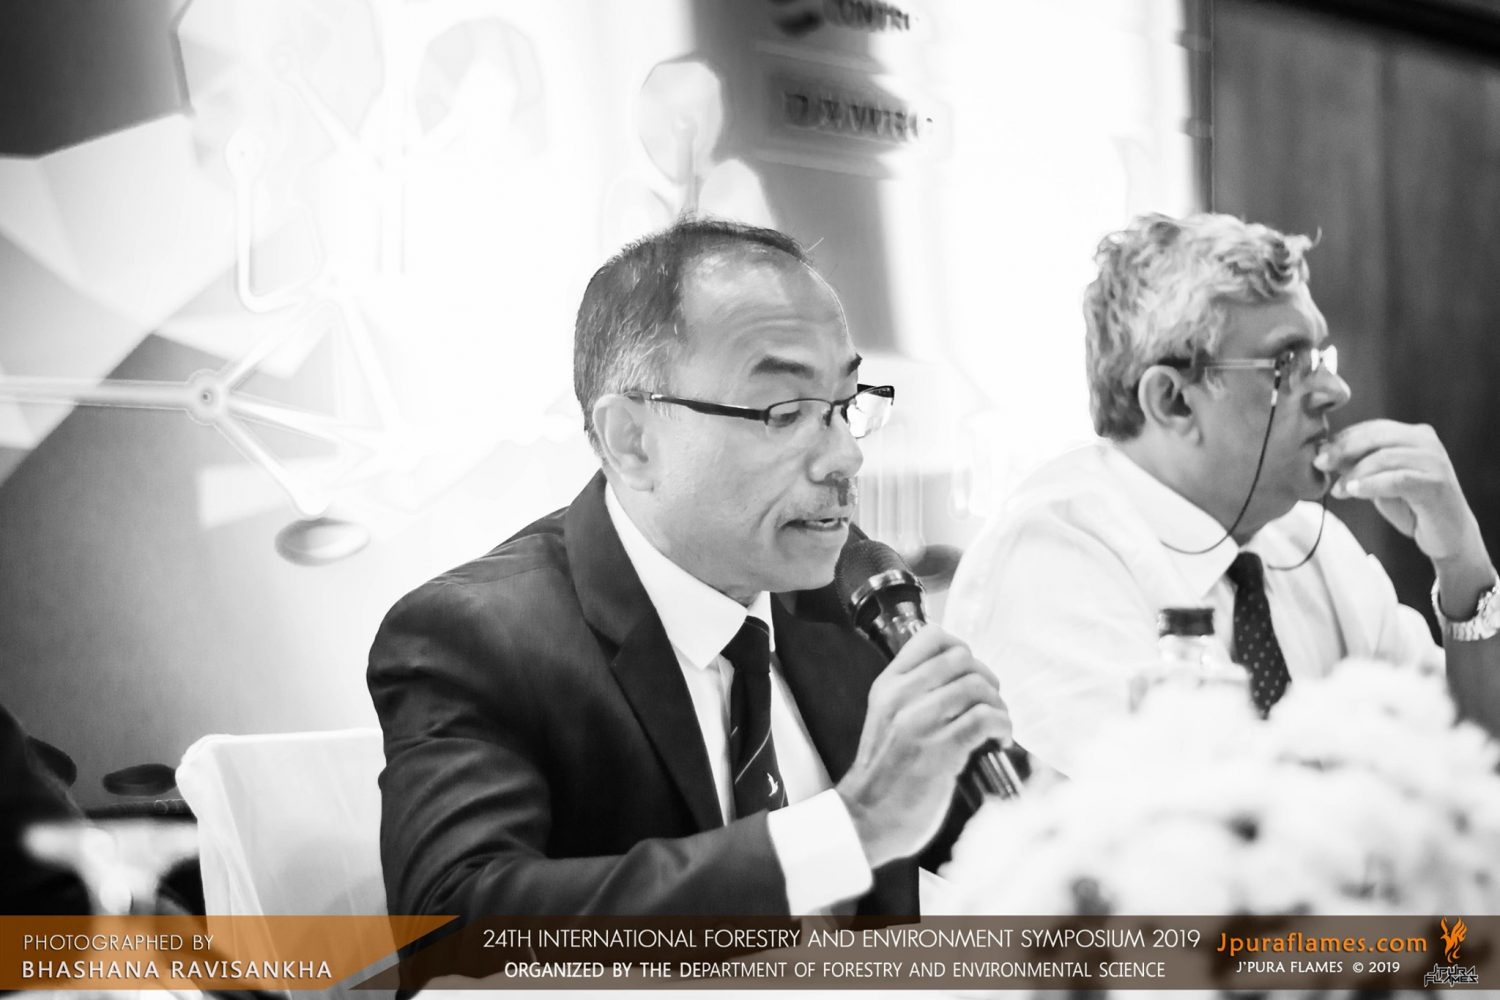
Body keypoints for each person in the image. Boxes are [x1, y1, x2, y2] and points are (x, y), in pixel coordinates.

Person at [369, 219, 1009, 924]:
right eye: (784, 411)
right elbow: (451, 928)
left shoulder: (848, 599)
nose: (845, 458)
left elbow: (1009, 831)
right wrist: (850, 830)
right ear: (632, 440)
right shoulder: (478, 636)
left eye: (844, 406)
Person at [946, 212, 1500, 777]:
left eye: (1320, 358)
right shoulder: (1052, 558)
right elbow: (1163, 820)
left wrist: (1461, 561)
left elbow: (1474, 766)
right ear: (1173, 401)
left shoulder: (1311, 541)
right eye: (1288, 363)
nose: (1335, 390)